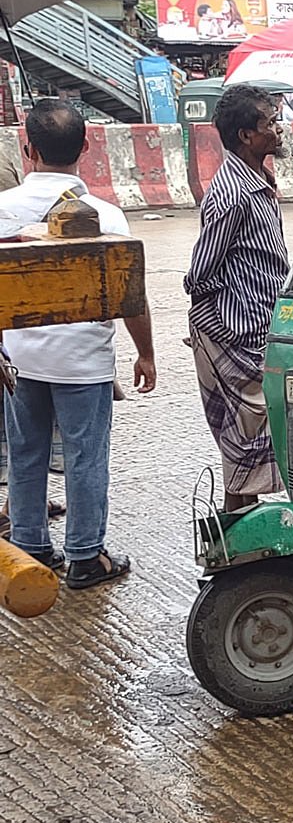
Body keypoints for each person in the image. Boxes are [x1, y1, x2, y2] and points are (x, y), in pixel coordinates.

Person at [0, 99, 156, 588]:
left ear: (28, 149)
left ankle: (30, 547)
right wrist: (146, 353)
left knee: (25, 456)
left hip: (19, 359)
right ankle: (87, 556)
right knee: (86, 459)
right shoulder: (107, 216)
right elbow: (133, 297)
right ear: (85, 147)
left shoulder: (3, 210)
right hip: (83, 365)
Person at [184, 85, 288, 513]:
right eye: (269, 123)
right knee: (247, 439)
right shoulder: (233, 193)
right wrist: (229, 317)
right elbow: (200, 272)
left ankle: (241, 537)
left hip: (260, 326)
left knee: (249, 440)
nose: (277, 130)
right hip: (240, 332)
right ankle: (238, 542)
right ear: (247, 135)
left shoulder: (259, 179)